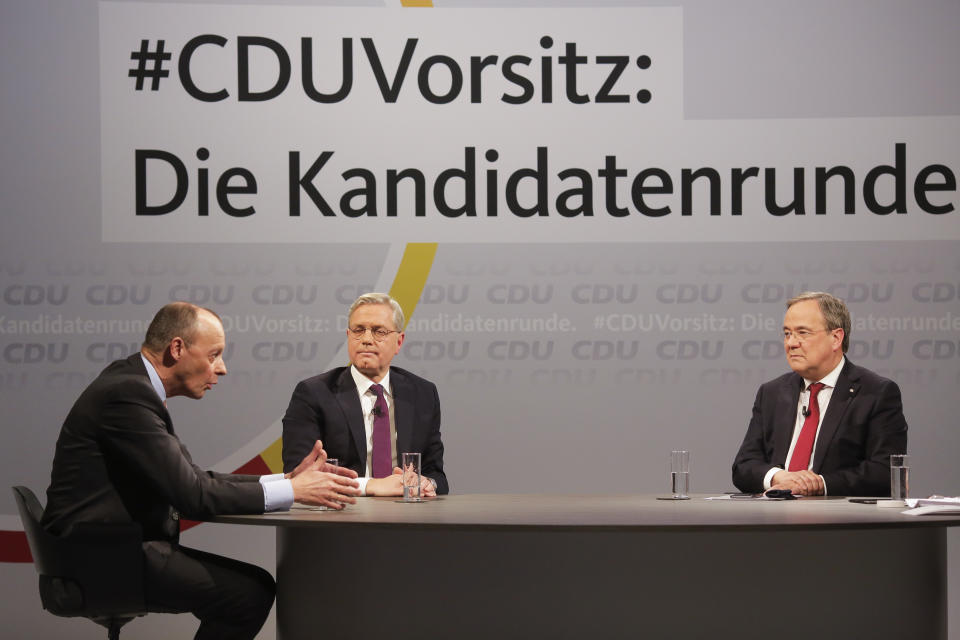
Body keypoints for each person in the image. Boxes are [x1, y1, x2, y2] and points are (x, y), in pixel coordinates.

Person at [42, 302, 360, 640]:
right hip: (101, 559)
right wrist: (293, 493)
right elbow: (192, 495)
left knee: (253, 589)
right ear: (177, 348)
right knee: (249, 595)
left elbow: (193, 478)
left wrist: (286, 481)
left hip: (108, 548)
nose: (221, 369)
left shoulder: (132, 384)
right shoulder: (128, 396)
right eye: (214, 355)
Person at [732, 292, 907, 497]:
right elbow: (743, 467)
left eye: (802, 333)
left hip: (838, 520)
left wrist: (821, 484)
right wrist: (778, 476)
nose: (791, 343)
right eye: (787, 333)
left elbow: (886, 472)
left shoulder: (876, 393)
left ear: (835, 338)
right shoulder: (771, 393)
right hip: (773, 515)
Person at [282, 292, 448, 496]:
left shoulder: (422, 394)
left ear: (399, 342)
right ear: (348, 336)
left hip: (407, 519)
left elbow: (437, 475)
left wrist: (427, 483)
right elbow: (299, 476)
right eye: (358, 330)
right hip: (341, 518)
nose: (367, 340)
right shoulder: (314, 394)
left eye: (379, 331)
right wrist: (370, 486)